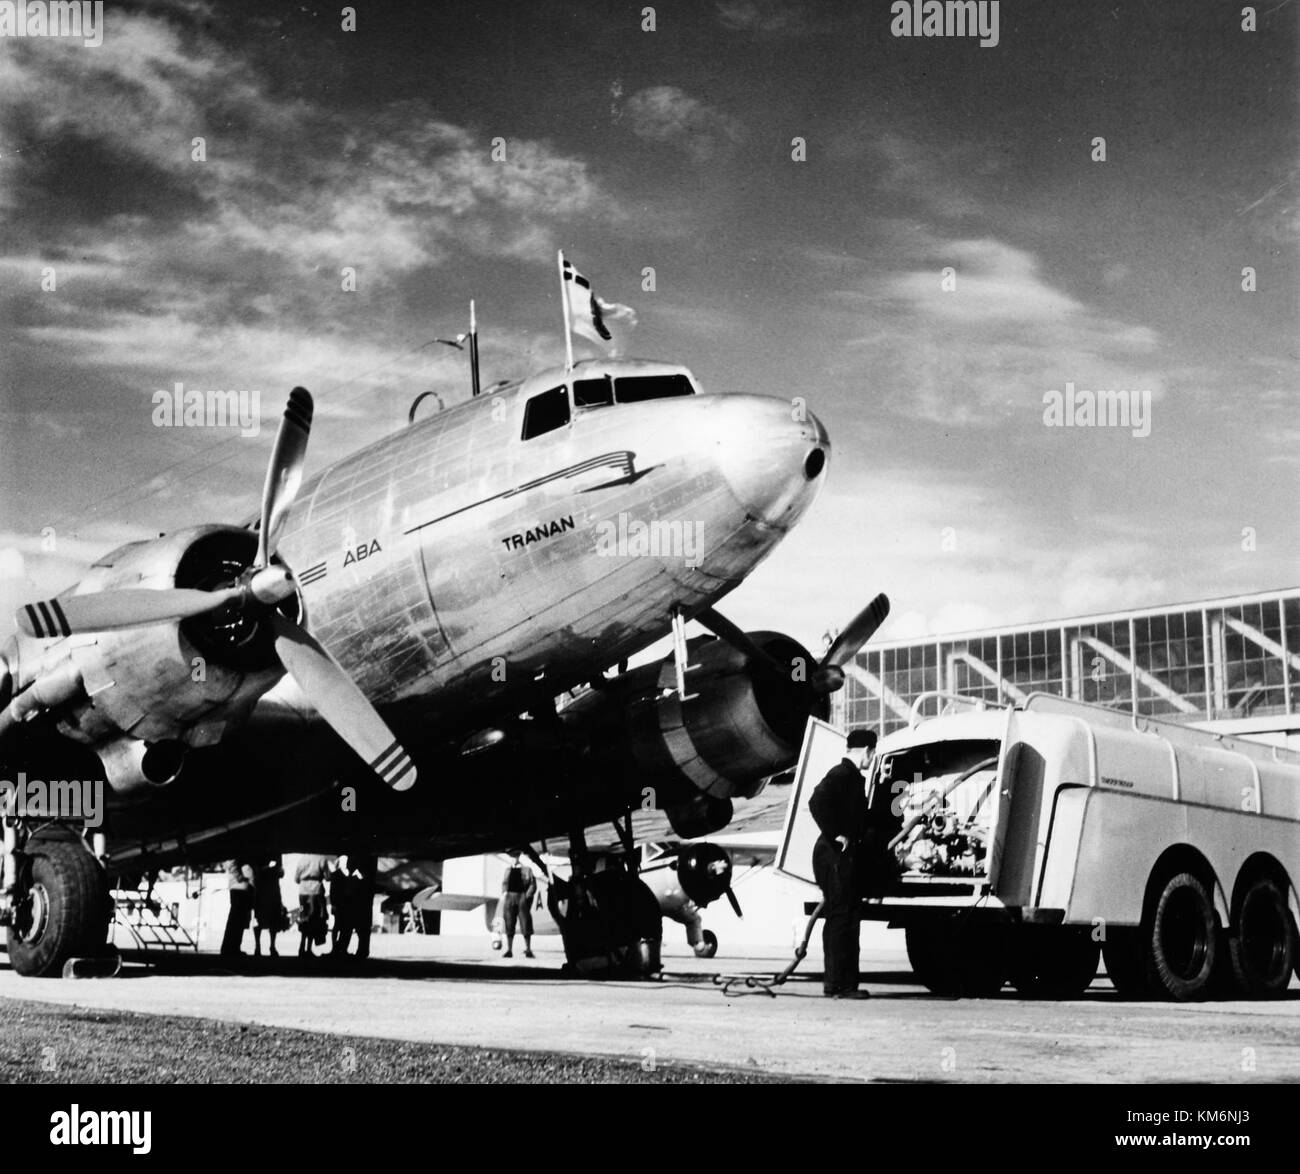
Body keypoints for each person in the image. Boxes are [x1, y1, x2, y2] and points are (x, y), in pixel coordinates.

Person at [809, 728, 877, 998]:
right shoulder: (843, 774)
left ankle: (840, 983)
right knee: (842, 919)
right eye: (872, 753)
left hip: (837, 856)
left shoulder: (851, 777)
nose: (872, 760)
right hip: (833, 856)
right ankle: (840, 985)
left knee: (845, 917)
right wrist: (836, 834)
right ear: (866, 751)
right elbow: (817, 800)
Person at [499, 850, 537, 959]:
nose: (514, 858)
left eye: (516, 856)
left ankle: (528, 949)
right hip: (509, 898)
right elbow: (504, 883)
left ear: (519, 857)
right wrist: (504, 894)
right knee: (509, 923)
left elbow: (532, 884)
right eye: (512, 856)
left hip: (521, 897)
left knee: (525, 923)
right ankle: (509, 950)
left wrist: (526, 896)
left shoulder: (527, 869)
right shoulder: (507, 870)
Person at [294, 853, 330, 957]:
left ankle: (301, 947)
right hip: (316, 892)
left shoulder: (302, 859)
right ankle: (308, 949)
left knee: (304, 918)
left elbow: (296, 879)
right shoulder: (321, 858)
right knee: (314, 920)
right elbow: (328, 877)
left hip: (302, 893)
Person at [220, 859, 255, 960]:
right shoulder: (234, 857)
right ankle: (229, 948)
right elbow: (231, 865)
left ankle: (233, 947)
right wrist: (242, 878)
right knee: (235, 920)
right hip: (238, 888)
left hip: (240, 888)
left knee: (238, 922)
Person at [252, 857, 284, 958]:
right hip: (262, 891)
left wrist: (277, 869)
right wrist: (268, 868)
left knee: (273, 920)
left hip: (273, 891)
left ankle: (272, 946)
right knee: (259, 920)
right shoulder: (258, 854)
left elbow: (281, 872)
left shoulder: (277, 853)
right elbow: (256, 872)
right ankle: (258, 946)